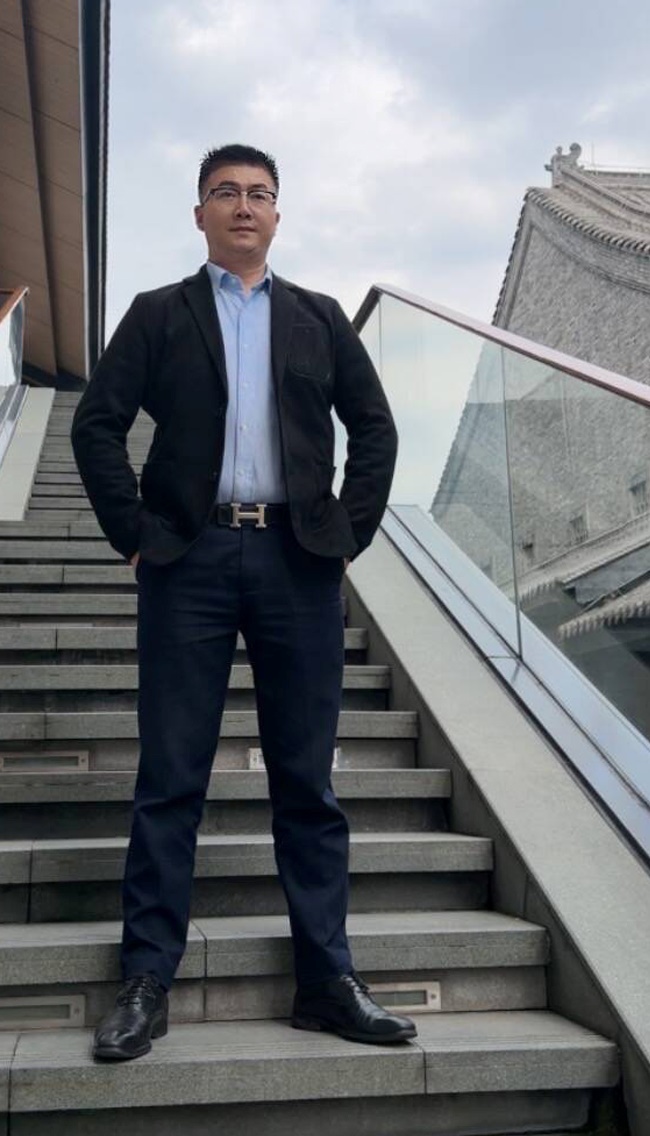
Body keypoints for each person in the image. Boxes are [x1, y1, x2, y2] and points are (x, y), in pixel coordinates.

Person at [72, 143, 414, 1061]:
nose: (243, 205)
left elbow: (374, 428)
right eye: (225, 192)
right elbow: (97, 424)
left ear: (277, 214)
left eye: (259, 193)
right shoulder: (158, 313)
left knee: (306, 780)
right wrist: (134, 532)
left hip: (295, 563)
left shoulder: (318, 317)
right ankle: (146, 979)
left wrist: (346, 532)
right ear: (200, 214)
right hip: (186, 560)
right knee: (170, 775)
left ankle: (327, 980)